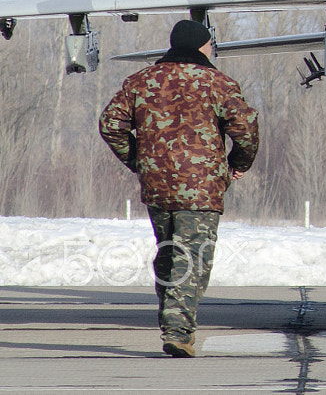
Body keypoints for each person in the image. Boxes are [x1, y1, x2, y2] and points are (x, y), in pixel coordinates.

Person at [99, 19, 259, 358]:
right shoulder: (218, 83)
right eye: (211, 46)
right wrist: (238, 164)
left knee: (170, 252)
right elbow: (246, 128)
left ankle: (171, 319)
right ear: (203, 46)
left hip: (157, 185)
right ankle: (178, 332)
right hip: (201, 187)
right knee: (193, 257)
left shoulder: (141, 81)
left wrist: (141, 161)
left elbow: (110, 124)